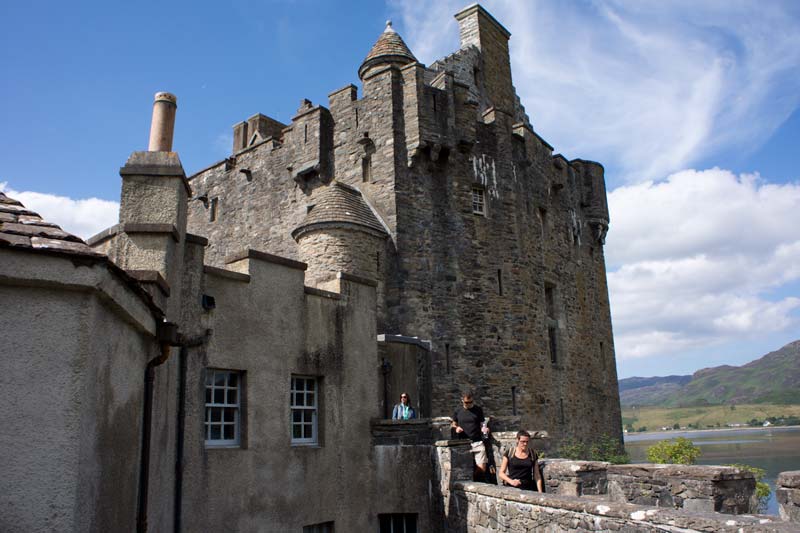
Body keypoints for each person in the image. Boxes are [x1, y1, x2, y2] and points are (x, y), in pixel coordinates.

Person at [451, 391, 489, 479]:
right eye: (466, 402)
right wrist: (456, 428)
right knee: (464, 469)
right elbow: (453, 424)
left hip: (477, 441)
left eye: (471, 402)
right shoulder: (458, 411)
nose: (469, 404)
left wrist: (485, 429)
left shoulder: (478, 410)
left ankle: (476, 480)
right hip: (463, 443)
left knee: (482, 468)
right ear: (462, 401)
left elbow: (482, 424)